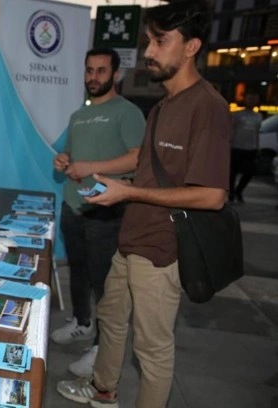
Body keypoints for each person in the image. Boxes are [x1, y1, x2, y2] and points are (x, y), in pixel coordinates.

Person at [57, 2, 228, 407]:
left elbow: (212, 195)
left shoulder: (208, 107)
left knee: (152, 350)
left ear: (191, 47)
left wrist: (129, 192)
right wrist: (118, 186)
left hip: (161, 251)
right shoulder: (163, 106)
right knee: (112, 321)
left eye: (160, 41)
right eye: (149, 41)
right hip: (130, 239)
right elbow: (146, 170)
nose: (149, 51)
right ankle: (103, 392)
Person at [51, 48, 145, 378]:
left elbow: (137, 158)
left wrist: (93, 167)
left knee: (106, 283)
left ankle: (102, 348)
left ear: (116, 75)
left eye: (101, 71)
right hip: (73, 206)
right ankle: (81, 321)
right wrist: (63, 160)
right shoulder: (79, 115)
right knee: (77, 270)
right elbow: (72, 155)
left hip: (106, 210)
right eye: (89, 70)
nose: (94, 77)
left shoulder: (128, 112)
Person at [229, 92, 262, 203]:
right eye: (250, 98)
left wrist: (257, 147)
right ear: (245, 100)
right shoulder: (237, 114)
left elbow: (257, 133)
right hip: (237, 147)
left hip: (251, 148)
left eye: (254, 99)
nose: (252, 101)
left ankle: (239, 190)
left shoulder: (259, 116)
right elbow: (231, 130)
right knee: (233, 172)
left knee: (249, 172)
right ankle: (231, 193)